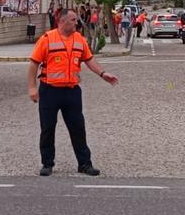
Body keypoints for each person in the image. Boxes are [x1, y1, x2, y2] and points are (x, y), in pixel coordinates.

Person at [27, 10, 119, 176]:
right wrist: (32, 88)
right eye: (73, 19)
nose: (77, 22)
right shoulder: (47, 39)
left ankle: (84, 163)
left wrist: (103, 73)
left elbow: (89, 60)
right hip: (50, 91)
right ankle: (47, 163)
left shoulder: (79, 40)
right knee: (47, 128)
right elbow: (34, 64)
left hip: (72, 91)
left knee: (78, 128)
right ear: (62, 21)